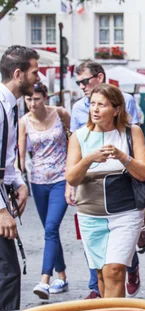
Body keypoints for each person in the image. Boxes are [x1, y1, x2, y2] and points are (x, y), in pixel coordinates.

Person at [66, 84, 145, 298]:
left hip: (126, 211)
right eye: (92, 104)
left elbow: (144, 173)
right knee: (101, 274)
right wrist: (89, 159)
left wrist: (123, 156)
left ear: (116, 109)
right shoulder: (79, 136)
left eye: (101, 105)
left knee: (114, 270)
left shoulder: (131, 133)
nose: (95, 109)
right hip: (90, 214)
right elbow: (71, 177)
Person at [18, 83, 71, 299]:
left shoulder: (60, 114)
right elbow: (21, 156)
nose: (32, 103)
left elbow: (73, 140)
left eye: (37, 99)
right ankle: (63, 276)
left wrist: (74, 176)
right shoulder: (24, 122)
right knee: (51, 231)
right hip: (38, 182)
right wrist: (20, 179)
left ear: (45, 98)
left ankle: (44, 281)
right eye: (29, 99)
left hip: (61, 178)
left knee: (51, 227)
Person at [0, 45, 39, 311]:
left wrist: (20, 183)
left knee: (7, 272)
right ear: (18, 73)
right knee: (7, 272)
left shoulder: (11, 106)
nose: (38, 78)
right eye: (34, 72)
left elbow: (6, 156)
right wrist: (1, 211)